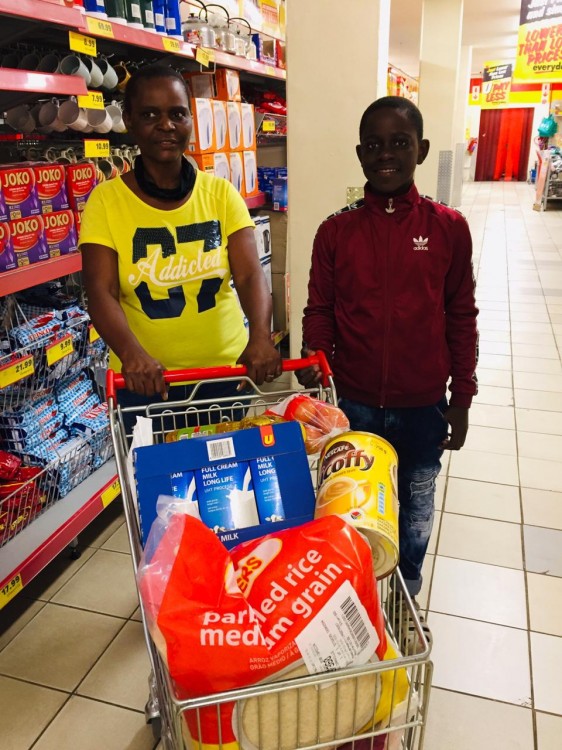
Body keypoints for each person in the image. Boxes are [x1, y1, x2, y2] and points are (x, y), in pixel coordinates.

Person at [300, 96, 478, 644]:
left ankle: (405, 598)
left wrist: (462, 397)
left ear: (420, 151)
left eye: (399, 143)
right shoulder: (336, 231)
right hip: (352, 404)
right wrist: (316, 357)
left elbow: (461, 314)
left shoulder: (449, 228)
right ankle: (352, 599)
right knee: (348, 507)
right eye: (374, 145)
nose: (386, 154)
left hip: (422, 404)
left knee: (415, 508)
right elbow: (320, 308)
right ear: (360, 154)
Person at [80, 65, 280, 429]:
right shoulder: (105, 201)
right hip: (144, 382)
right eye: (149, 115)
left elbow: (250, 275)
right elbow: (100, 291)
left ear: (191, 119)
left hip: (225, 376)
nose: (166, 125)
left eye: (177, 114)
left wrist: (261, 338)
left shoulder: (221, 194)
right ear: (129, 120)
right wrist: (132, 354)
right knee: (157, 469)